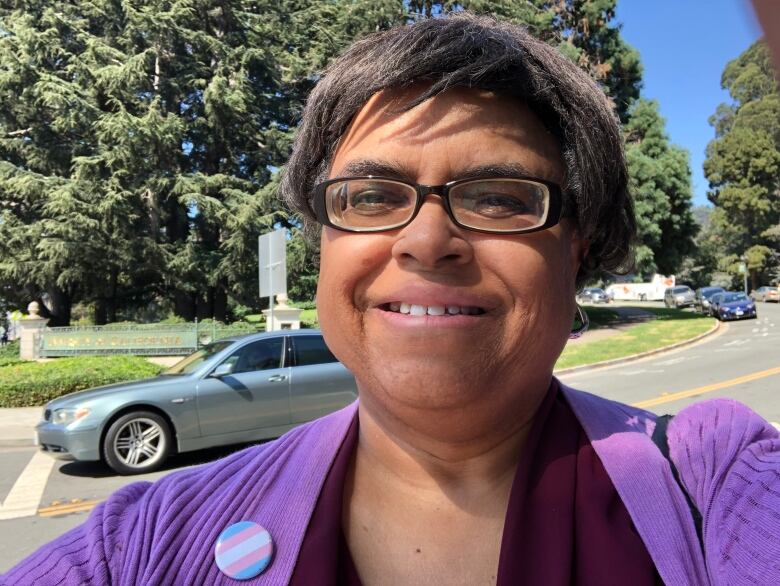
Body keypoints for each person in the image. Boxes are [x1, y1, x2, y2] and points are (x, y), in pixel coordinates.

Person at [4, 13, 779, 586]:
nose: (425, 239)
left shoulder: (713, 481)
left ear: (575, 250)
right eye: (372, 195)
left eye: (500, 197)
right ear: (324, 244)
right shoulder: (139, 547)